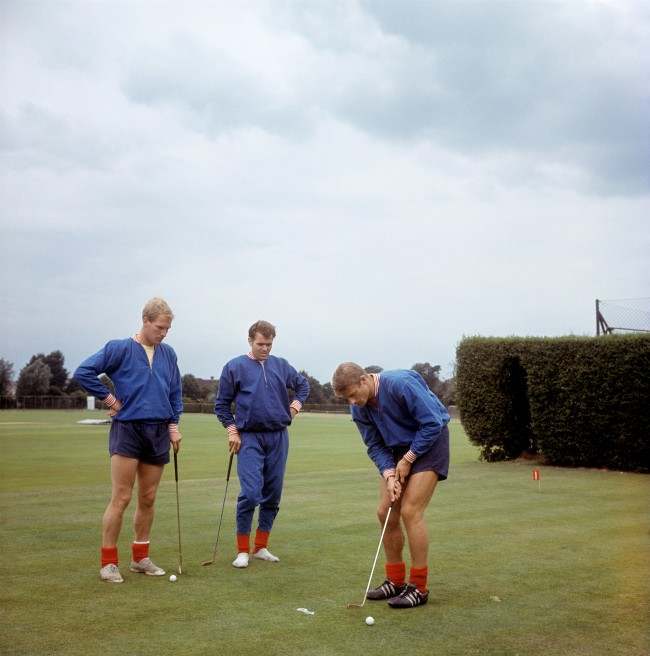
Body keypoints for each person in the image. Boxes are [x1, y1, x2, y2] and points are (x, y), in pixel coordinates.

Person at [74, 297, 183, 583]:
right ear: (145, 321)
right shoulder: (119, 348)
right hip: (128, 430)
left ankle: (140, 558)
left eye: (168, 329)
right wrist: (109, 398)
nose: (164, 333)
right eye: (160, 327)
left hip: (158, 430)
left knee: (148, 498)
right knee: (121, 497)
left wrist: (174, 426)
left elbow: (174, 394)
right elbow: (83, 372)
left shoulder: (169, 354)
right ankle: (109, 563)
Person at [331, 363, 450, 608]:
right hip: (396, 449)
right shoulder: (359, 409)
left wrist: (408, 459)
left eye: (353, 395)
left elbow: (433, 422)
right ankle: (395, 581)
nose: (352, 402)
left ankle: (418, 587)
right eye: (347, 399)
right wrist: (389, 474)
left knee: (410, 511)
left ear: (364, 380)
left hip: (430, 442)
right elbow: (374, 444)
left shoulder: (400, 384)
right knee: (385, 511)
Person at [215, 320, 309, 568]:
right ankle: (242, 551)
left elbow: (303, 386)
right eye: (260, 344)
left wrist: (294, 407)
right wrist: (232, 431)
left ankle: (261, 547)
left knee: (273, 494)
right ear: (250, 341)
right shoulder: (234, 367)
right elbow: (222, 405)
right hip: (249, 437)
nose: (265, 349)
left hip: (278, 436)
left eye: (269, 344)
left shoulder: (281, 365)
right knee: (251, 493)